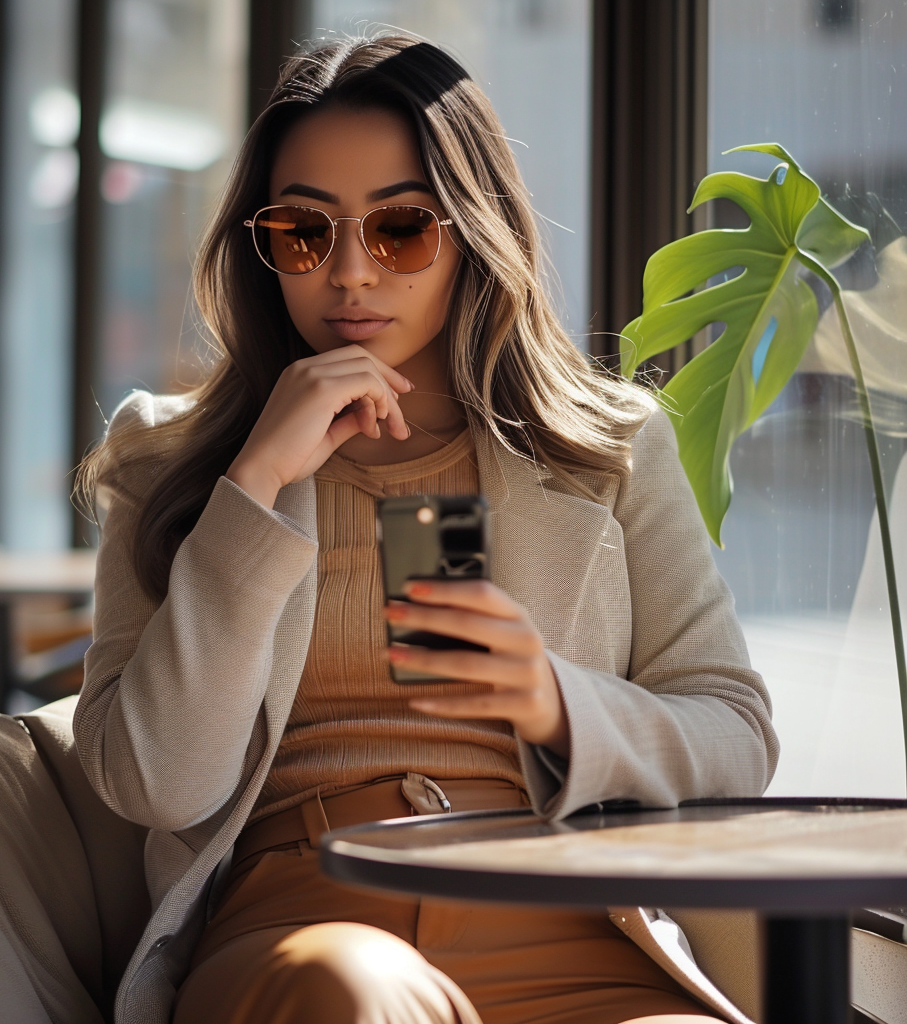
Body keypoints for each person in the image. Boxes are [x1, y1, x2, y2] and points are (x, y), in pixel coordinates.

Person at [74, 33, 778, 1024]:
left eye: (400, 228)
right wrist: (257, 481)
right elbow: (155, 780)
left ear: (472, 230)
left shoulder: (609, 447)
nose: (351, 274)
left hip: (561, 919)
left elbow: (735, 731)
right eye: (305, 233)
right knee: (354, 993)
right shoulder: (165, 458)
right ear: (262, 245)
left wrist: (557, 702)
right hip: (303, 922)